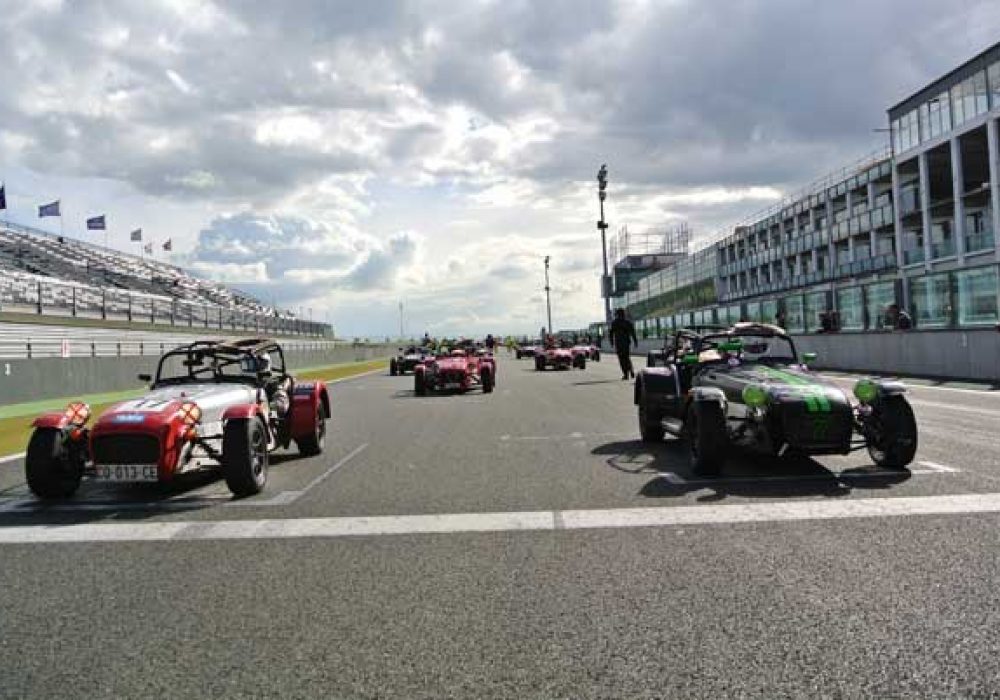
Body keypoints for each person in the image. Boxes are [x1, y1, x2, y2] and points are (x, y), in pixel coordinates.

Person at [609, 308, 638, 380]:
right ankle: (631, 370)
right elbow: (633, 333)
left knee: (622, 359)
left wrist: (611, 342)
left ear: (617, 314)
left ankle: (626, 374)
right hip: (626, 343)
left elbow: (611, 333)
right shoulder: (628, 322)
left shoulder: (615, 322)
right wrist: (635, 341)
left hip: (619, 343)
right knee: (627, 357)